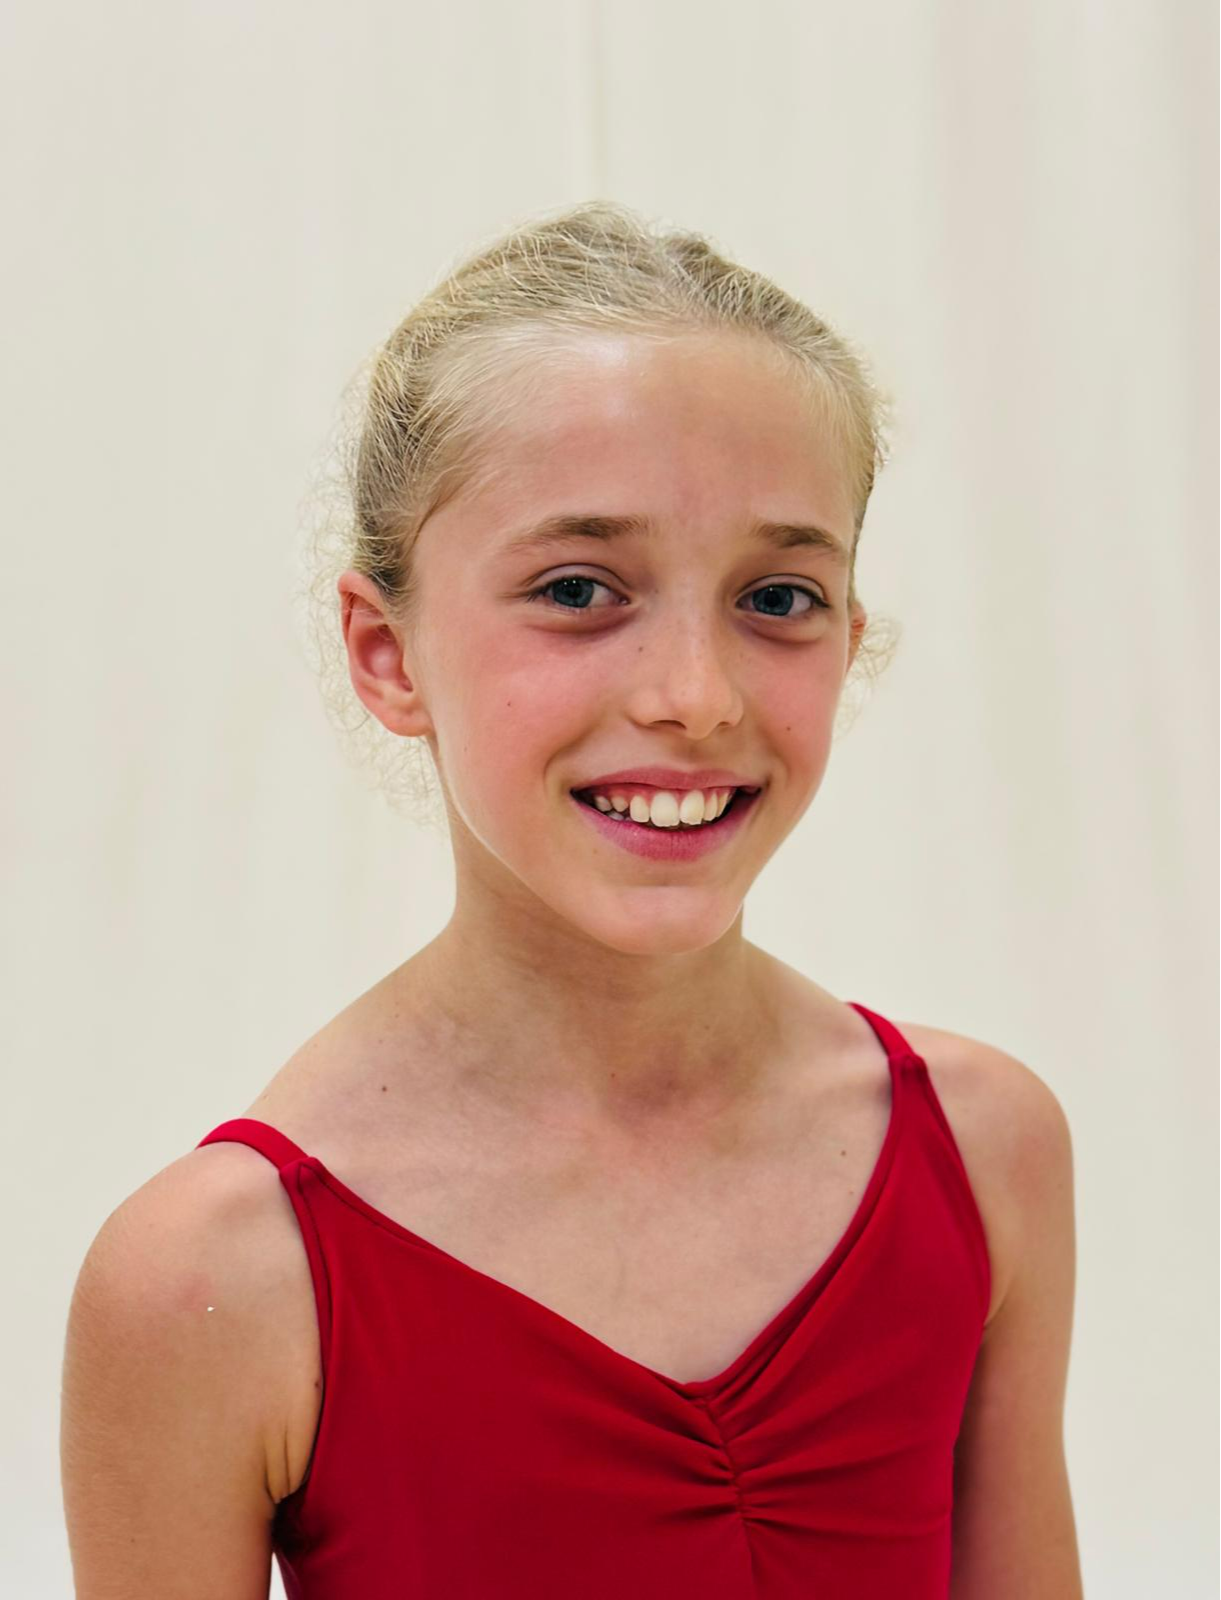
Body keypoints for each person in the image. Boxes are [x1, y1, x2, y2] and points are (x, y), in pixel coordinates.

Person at [60, 201, 1083, 1598]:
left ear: (851, 635)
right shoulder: (214, 1279)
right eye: (581, 588)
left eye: (778, 598)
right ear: (387, 653)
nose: (695, 696)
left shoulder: (986, 1151)